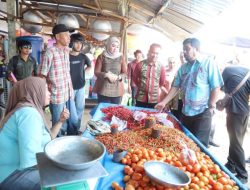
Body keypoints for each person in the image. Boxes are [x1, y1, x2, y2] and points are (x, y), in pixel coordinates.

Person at [0, 77, 69, 190]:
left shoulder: (29, 110)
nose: (49, 93)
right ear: (35, 91)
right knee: (63, 181)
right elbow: (31, 160)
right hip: (10, 175)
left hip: (14, 171)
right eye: (46, 89)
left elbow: (48, 138)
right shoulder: (28, 114)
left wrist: (61, 121)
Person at [155, 38, 223, 147]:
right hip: (186, 112)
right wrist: (163, 102)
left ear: (196, 49)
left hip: (203, 113)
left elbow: (216, 86)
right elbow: (175, 87)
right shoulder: (183, 68)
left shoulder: (208, 63)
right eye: (183, 50)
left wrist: (211, 105)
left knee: (199, 147)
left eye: (187, 49)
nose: (184, 52)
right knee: (185, 143)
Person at [39, 24, 77, 136]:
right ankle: (57, 149)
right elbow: (42, 75)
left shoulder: (66, 51)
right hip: (57, 96)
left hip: (69, 94)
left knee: (73, 121)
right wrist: (44, 95)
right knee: (59, 125)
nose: (69, 38)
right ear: (58, 37)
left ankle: (71, 141)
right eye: (66, 35)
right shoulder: (49, 52)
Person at [218, 66, 249, 184]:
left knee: (236, 143)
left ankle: (243, 174)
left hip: (235, 112)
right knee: (236, 140)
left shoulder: (226, 71)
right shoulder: (246, 73)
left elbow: (220, 87)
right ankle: (231, 164)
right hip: (244, 112)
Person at [93, 36, 126, 104]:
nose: (115, 49)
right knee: (103, 111)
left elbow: (125, 72)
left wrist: (118, 77)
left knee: (115, 111)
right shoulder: (101, 56)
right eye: (113, 46)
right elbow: (96, 72)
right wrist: (106, 75)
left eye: (117, 47)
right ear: (108, 45)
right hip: (103, 89)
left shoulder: (121, 57)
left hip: (117, 90)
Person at [69, 33, 91, 131]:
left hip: (81, 87)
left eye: (81, 43)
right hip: (69, 88)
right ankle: (70, 130)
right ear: (71, 43)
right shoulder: (67, 56)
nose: (79, 45)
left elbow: (90, 65)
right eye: (76, 43)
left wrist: (84, 72)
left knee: (80, 109)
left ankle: (76, 129)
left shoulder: (83, 57)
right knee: (70, 111)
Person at [133, 43, 166, 108]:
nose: (155, 55)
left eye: (157, 53)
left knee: (153, 117)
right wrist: (142, 87)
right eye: (153, 53)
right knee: (138, 116)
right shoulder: (140, 65)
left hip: (154, 100)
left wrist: (153, 88)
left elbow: (161, 82)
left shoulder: (161, 67)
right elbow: (135, 78)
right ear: (148, 52)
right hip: (141, 98)